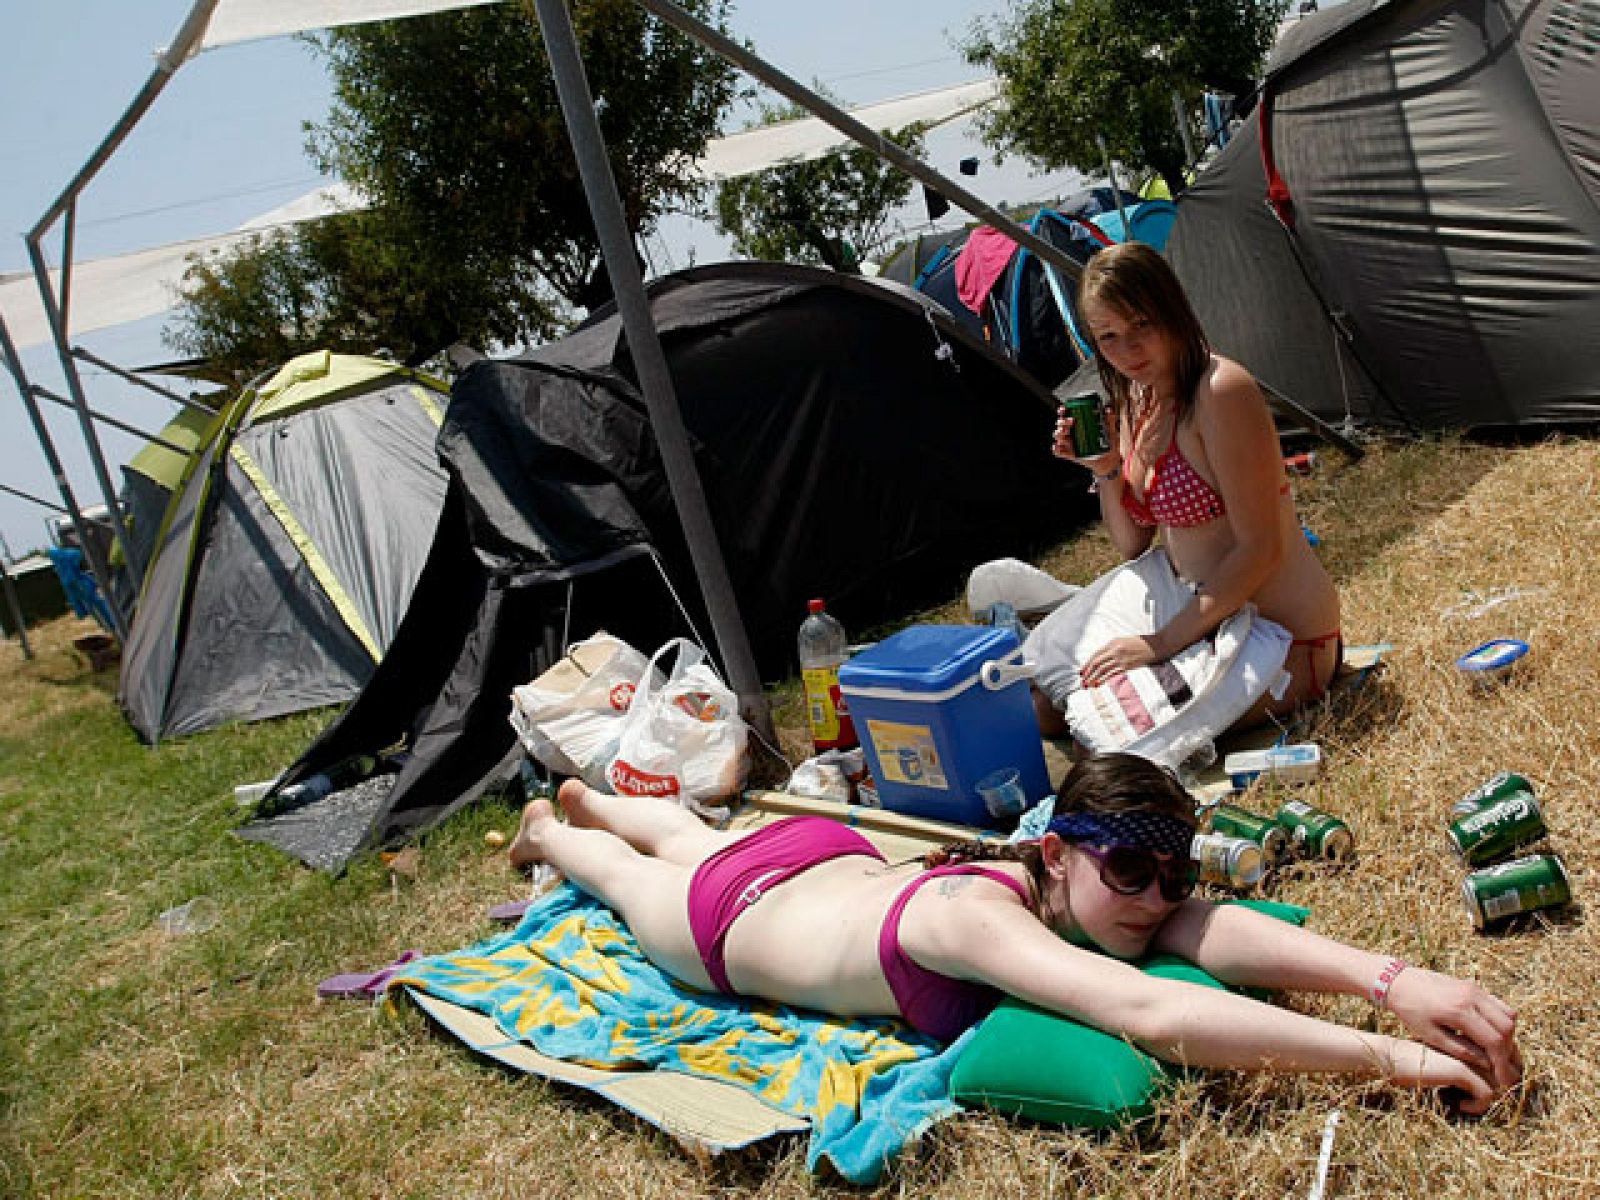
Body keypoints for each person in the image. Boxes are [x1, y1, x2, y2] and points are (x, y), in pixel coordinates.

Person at [509, 752, 1521, 1114]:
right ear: (1054, 857)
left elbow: (1204, 932)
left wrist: (1392, 980)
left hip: (819, 855)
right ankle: (555, 824)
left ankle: (603, 800)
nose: (1155, 899)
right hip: (725, 920)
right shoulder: (977, 919)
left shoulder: (1089, 889)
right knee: (625, 869)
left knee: (697, 829)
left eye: (1171, 874)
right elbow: (1138, 1003)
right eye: (1129, 872)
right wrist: (1387, 1059)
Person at [1032, 241, 1341, 736]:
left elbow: (1261, 548)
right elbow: (1132, 542)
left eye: (1141, 327)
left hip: (1281, 638)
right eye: (1108, 337)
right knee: (1044, 702)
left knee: (1101, 735)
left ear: (1173, 311)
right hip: (1202, 615)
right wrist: (1106, 467)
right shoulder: (1139, 395)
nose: (1127, 352)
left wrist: (1159, 644)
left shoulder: (1220, 391)